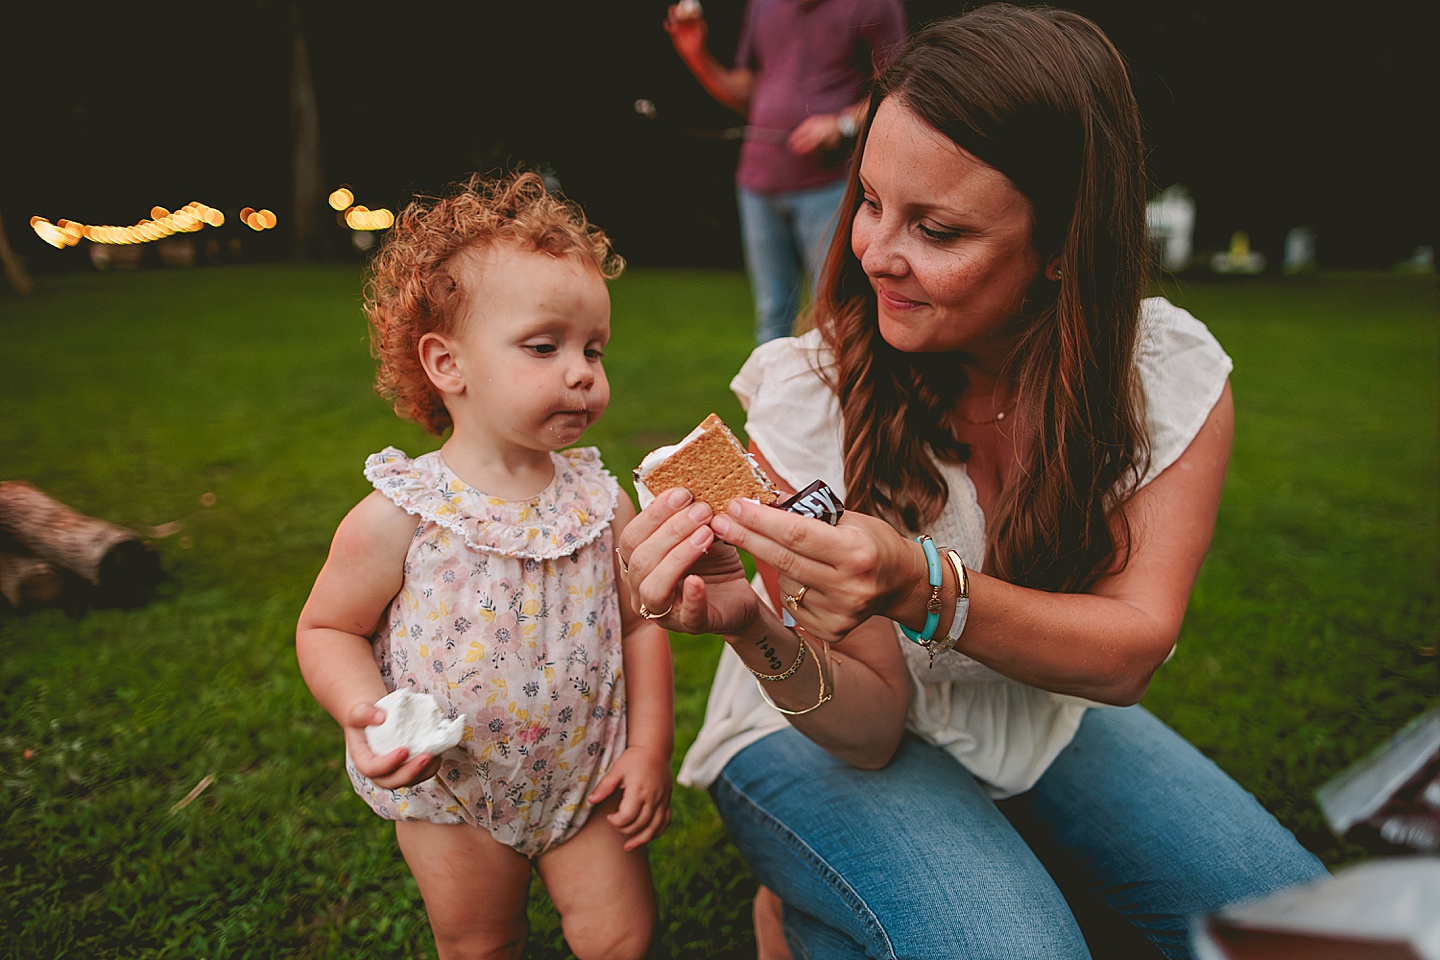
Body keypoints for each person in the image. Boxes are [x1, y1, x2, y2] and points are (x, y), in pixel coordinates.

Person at [618, 7, 1328, 958]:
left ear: (1064, 243)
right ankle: (863, 883)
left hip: (1032, 713)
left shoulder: (1166, 373)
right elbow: (867, 732)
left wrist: (918, 582)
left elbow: (1127, 652)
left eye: (938, 229)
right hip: (820, 725)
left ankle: (833, 916)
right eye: (869, 201)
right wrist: (749, 619)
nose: (874, 252)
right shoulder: (811, 393)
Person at [295, 172, 673, 960]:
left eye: (593, 349)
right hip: (454, 790)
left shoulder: (603, 504)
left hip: (587, 775)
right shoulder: (403, 512)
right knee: (479, 941)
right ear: (447, 364)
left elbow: (641, 628)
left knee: (622, 937)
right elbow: (329, 625)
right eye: (545, 347)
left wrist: (646, 751)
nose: (581, 371)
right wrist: (366, 712)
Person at [664, 0, 907, 345]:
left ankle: (842, 397)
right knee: (772, 313)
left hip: (831, 184)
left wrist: (842, 124)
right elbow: (746, 93)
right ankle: (771, 399)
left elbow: (895, 88)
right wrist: (696, 56)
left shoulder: (874, 6)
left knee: (835, 311)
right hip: (758, 182)